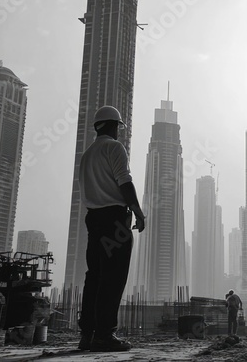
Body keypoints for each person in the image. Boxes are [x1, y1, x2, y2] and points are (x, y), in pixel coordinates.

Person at [76, 106, 146, 352]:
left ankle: (88, 333)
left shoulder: (87, 154)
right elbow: (125, 182)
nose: (119, 131)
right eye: (118, 127)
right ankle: (105, 335)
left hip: (93, 220)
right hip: (114, 220)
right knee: (113, 277)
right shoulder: (113, 148)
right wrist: (138, 211)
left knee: (94, 276)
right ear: (113, 126)